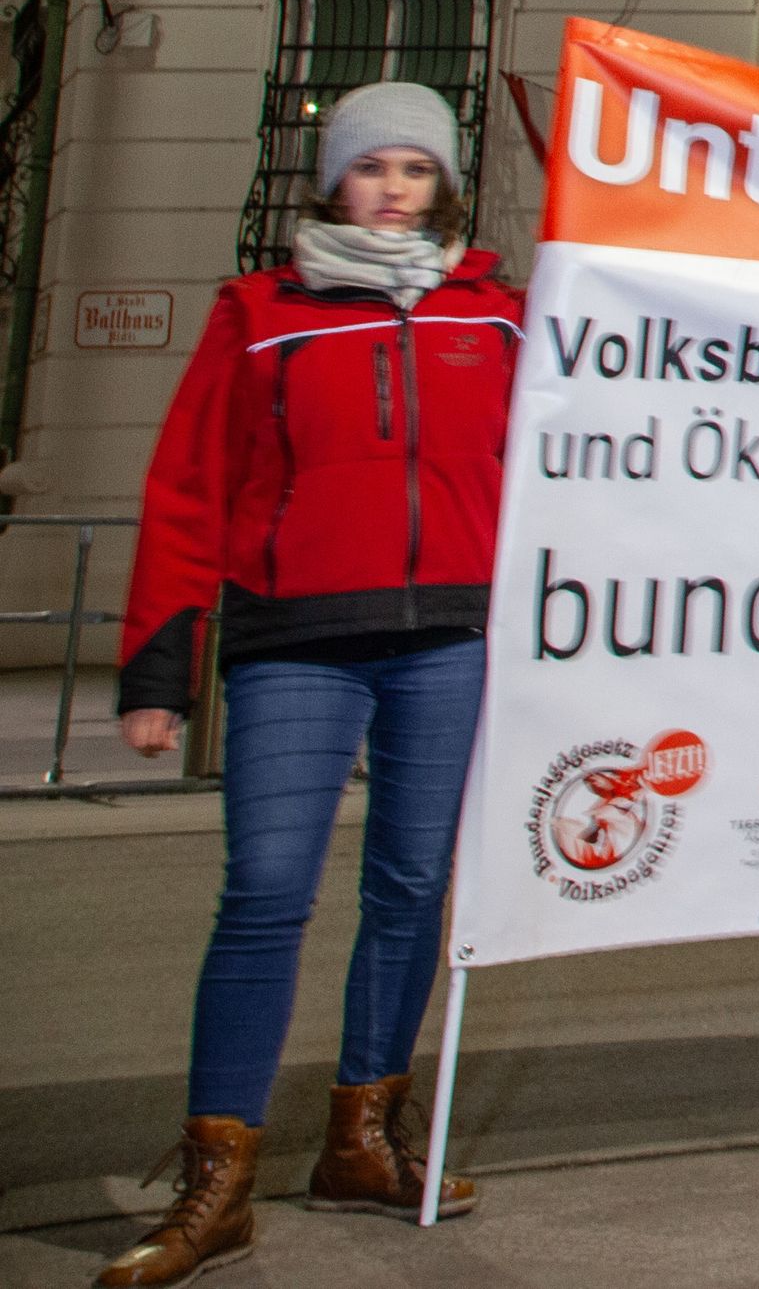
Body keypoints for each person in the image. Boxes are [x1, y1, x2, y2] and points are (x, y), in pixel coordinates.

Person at [99, 83, 525, 1285]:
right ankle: (218, 1179)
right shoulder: (259, 313)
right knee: (267, 889)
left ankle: (363, 1138)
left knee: (409, 889)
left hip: (450, 636)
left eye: (416, 170)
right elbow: (189, 489)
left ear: (445, 186)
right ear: (329, 181)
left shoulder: (497, 316)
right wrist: (159, 675)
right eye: (369, 168)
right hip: (293, 641)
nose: (393, 190)